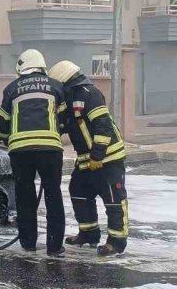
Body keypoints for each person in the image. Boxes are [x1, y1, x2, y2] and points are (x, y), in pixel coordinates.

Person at [48, 60, 129, 257]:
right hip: (87, 160)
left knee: (113, 200)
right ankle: (89, 233)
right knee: (78, 190)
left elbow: (102, 125)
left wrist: (98, 155)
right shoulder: (68, 99)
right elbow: (63, 124)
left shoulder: (89, 94)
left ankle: (116, 242)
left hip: (108, 157)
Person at [0, 50, 68, 257]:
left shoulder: (11, 89)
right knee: (53, 195)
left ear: (21, 68)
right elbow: (65, 117)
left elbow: (0, 120)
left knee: (25, 195)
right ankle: (54, 247)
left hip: (21, 152)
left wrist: (5, 137)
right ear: (42, 66)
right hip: (50, 150)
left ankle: (28, 242)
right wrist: (57, 131)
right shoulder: (56, 86)